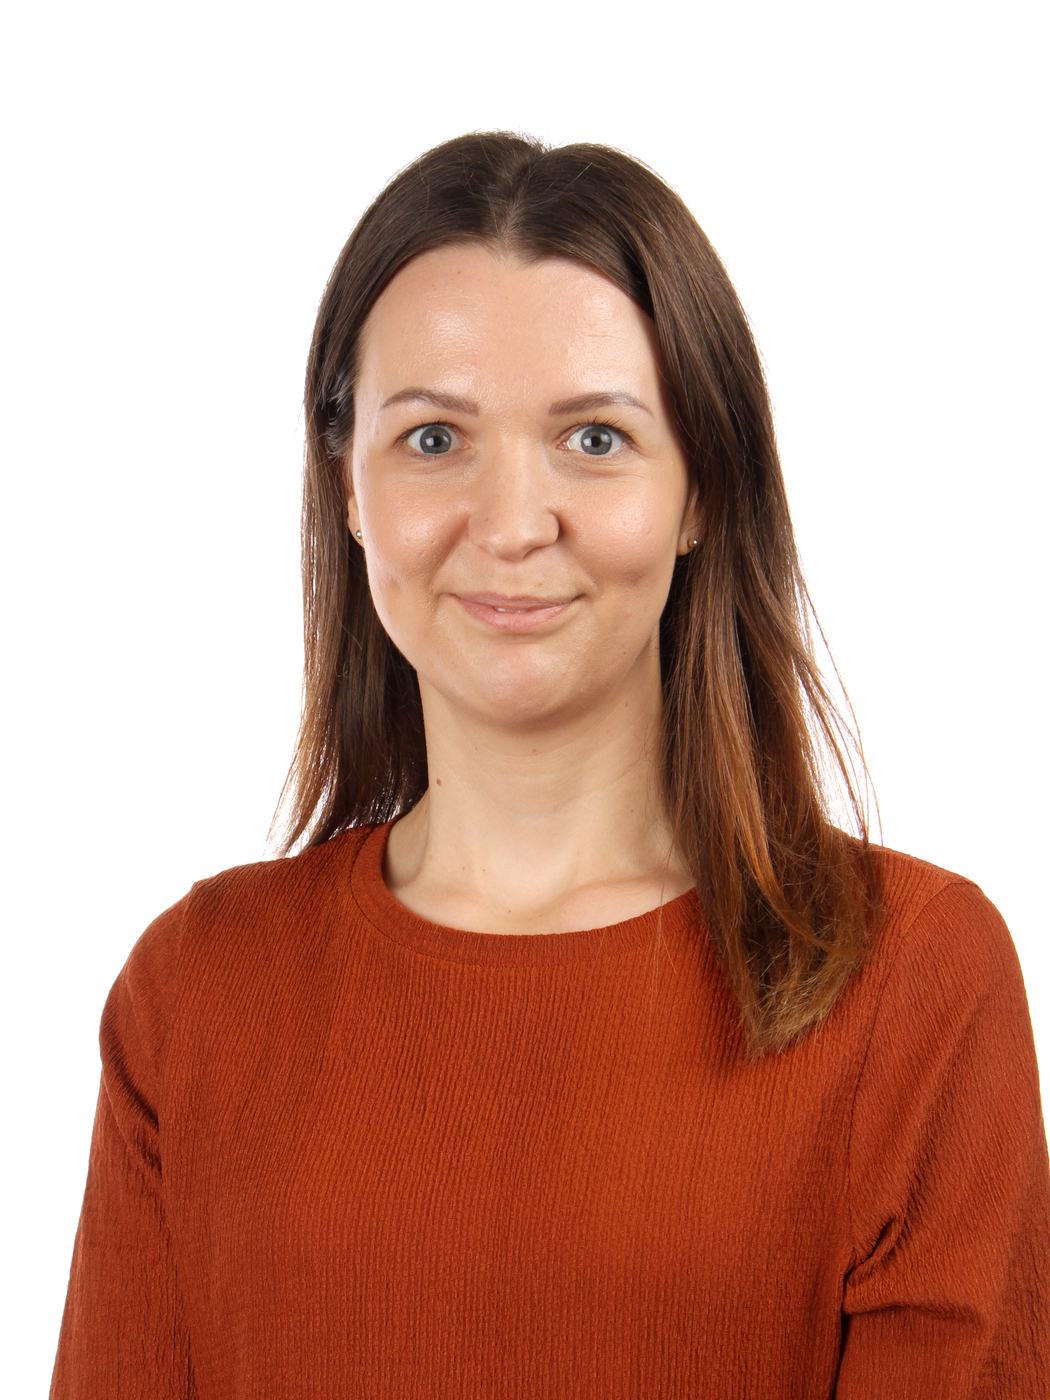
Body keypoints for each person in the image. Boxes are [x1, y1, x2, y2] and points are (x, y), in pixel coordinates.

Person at [50, 132, 1049, 1398]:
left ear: (702, 490)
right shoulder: (194, 994)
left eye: (594, 438)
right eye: (433, 439)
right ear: (346, 486)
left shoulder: (911, 978)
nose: (514, 525)